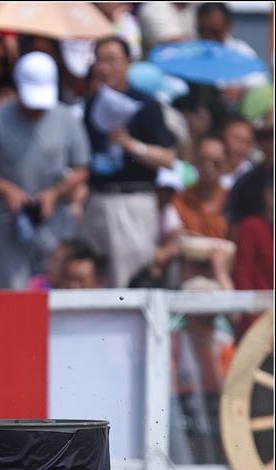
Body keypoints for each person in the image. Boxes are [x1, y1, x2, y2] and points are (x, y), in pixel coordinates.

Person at [0, 51, 90, 289]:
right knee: (13, 295)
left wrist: (55, 193)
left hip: (56, 222)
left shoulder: (67, 119)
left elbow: (82, 168)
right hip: (10, 224)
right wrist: (7, 190)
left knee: (59, 289)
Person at [81, 37, 177, 288]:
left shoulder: (146, 104)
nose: (104, 67)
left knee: (128, 281)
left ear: (128, 64)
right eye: (99, 60)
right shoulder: (90, 104)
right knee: (92, 276)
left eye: (111, 60)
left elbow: (168, 158)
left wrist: (132, 145)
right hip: (97, 199)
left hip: (133, 201)